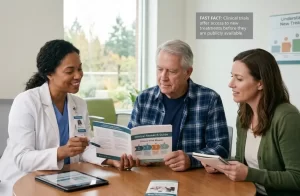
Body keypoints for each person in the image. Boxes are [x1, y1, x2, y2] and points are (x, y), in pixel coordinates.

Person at [0, 40, 133, 186]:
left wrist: (108, 159)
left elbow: (85, 147)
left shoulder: (79, 104)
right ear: (50, 73)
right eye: (70, 71)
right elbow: (22, 159)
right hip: (23, 181)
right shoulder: (26, 102)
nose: (78, 76)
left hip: (64, 179)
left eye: (80, 69)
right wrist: (62, 152)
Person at [205, 49, 300, 196]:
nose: (231, 84)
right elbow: (241, 161)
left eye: (239, 79)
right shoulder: (244, 114)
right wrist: (222, 166)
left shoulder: (287, 117)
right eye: (232, 77)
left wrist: (251, 174)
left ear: (260, 83)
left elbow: (296, 178)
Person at [128, 39, 229, 171]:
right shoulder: (144, 98)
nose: (163, 77)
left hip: (194, 181)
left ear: (188, 72)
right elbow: (129, 141)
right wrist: (134, 156)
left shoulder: (210, 100)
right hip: (149, 175)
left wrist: (191, 160)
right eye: (159, 69)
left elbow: (221, 148)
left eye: (172, 71)